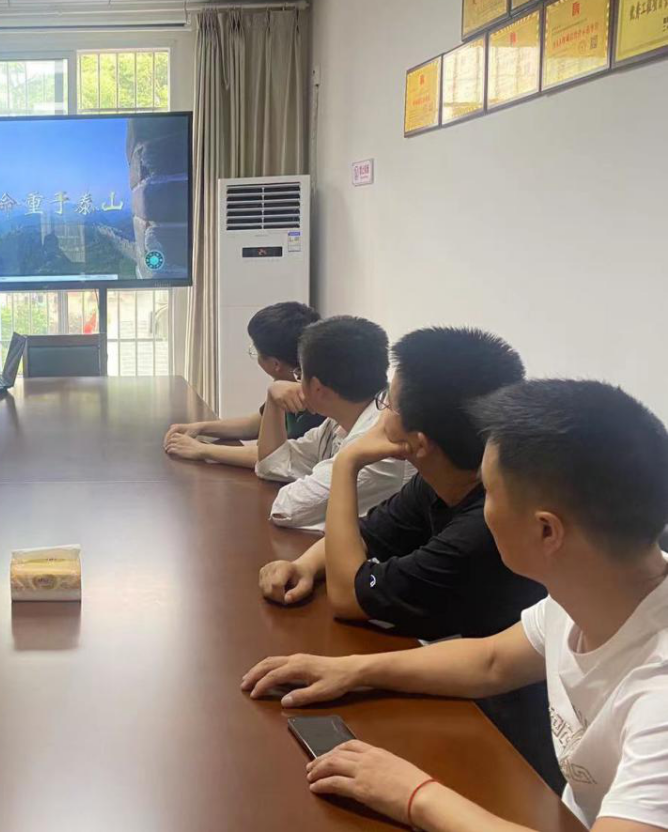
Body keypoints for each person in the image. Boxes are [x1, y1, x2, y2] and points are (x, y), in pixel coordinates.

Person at [242, 379, 668, 832]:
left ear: (547, 531)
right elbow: (491, 661)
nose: (480, 507)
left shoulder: (658, 693)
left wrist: (415, 795)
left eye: (490, 491)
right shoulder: (596, 584)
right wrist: (353, 671)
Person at [257, 327, 540, 638]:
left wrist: (347, 462)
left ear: (419, 442)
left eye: (388, 404)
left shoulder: (480, 530)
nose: (380, 416)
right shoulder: (442, 479)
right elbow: (366, 534)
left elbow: (347, 596)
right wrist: (305, 566)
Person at [252, 316, 412, 531]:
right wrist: (273, 399)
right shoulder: (340, 421)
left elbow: (287, 509)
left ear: (317, 388)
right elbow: (273, 465)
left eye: (300, 375)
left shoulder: (383, 440)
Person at [165, 302, 323, 467]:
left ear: (276, 364)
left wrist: (202, 449)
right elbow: (255, 424)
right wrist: (201, 427)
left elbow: (272, 458)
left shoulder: (317, 403)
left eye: (256, 351)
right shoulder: (287, 386)